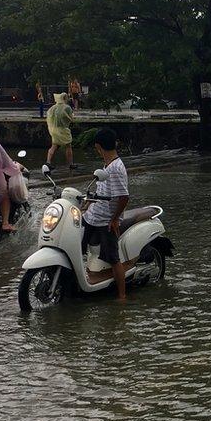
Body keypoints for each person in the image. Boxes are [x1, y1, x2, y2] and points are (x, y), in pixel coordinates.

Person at [81, 128, 130, 300]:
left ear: (97, 147)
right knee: (78, 246)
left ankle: (122, 296)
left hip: (105, 220)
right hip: (92, 216)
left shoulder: (115, 168)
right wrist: (85, 204)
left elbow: (124, 197)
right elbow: (101, 191)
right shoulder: (107, 165)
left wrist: (115, 219)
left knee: (113, 258)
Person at [46, 93, 76, 170]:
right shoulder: (67, 107)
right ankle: (70, 164)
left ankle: (48, 162)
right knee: (68, 146)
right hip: (63, 129)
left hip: (54, 129)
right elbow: (70, 118)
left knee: (54, 146)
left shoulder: (53, 108)